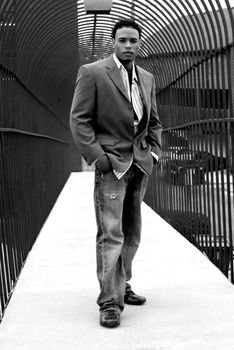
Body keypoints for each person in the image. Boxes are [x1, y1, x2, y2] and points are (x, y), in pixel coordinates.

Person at [70, 18, 162, 328]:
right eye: (122, 40)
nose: (128, 46)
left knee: (132, 233)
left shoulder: (147, 77)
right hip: (112, 166)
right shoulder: (93, 73)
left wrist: (155, 150)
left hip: (139, 165)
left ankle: (123, 284)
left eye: (133, 41)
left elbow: (154, 121)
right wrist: (98, 158)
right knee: (111, 234)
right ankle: (109, 302)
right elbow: (79, 120)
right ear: (114, 42)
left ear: (139, 43)